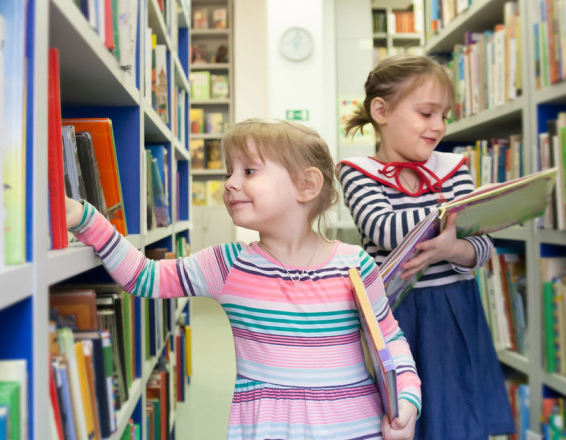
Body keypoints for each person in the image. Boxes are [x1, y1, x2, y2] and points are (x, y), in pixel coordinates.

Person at [66, 118, 421, 440]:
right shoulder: (227, 265)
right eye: (229, 172)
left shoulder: (354, 264)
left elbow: (389, 338)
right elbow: (145, 278)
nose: (230, 183)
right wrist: (86, 219)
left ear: (307, 185)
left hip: (356, 429)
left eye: (249, 171)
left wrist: (407, 398)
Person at [337, 54, 515, 440]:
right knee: (401, 420)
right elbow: (384, 229)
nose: (438, 126)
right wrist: (456, 215)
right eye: (426, 113)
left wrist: (450, 249)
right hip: (396, 316)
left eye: (443, 115)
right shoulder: (358, 173)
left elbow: (482, 246)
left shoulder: (453, 168)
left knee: (458, 417)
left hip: (455, 310)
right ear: (381, 111)